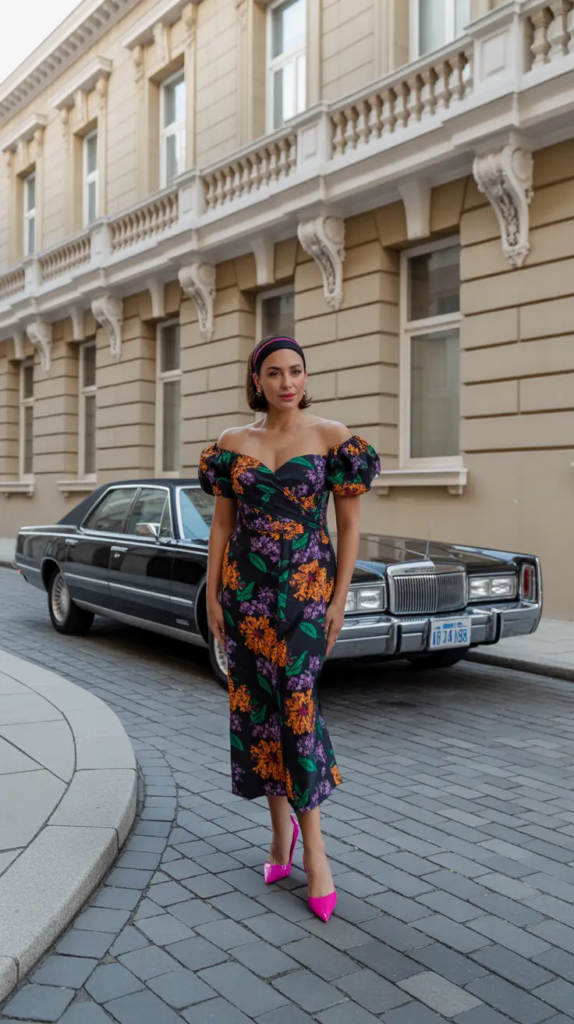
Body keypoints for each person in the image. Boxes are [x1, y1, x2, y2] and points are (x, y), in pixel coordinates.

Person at [198, 334, 380, 922]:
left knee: (297, 705)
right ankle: (281, 836)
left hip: (305, 593)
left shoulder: (332, 438)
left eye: (295, 371)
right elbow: (222, 526)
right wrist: (214, 596)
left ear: (306, 376)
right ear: (257, 381)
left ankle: (316, 852)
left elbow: (348, 528)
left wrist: (339, 600)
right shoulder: (233, 443)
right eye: (274, 373)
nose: (286, 382)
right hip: (246, 592)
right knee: (258, 707)